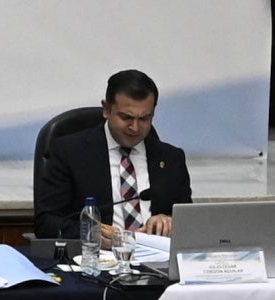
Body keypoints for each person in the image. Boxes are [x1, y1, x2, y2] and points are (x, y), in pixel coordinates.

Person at [30, 69, 193, 247]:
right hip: (96, 261)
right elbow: (46, 222)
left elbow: (190, 221)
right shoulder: (69, 152)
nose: (135, 128)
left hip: (157, 262)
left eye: (145, 118)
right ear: (106, 109)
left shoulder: (171, 158)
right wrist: (89, 233)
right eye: (126, 117)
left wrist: (169, 221)